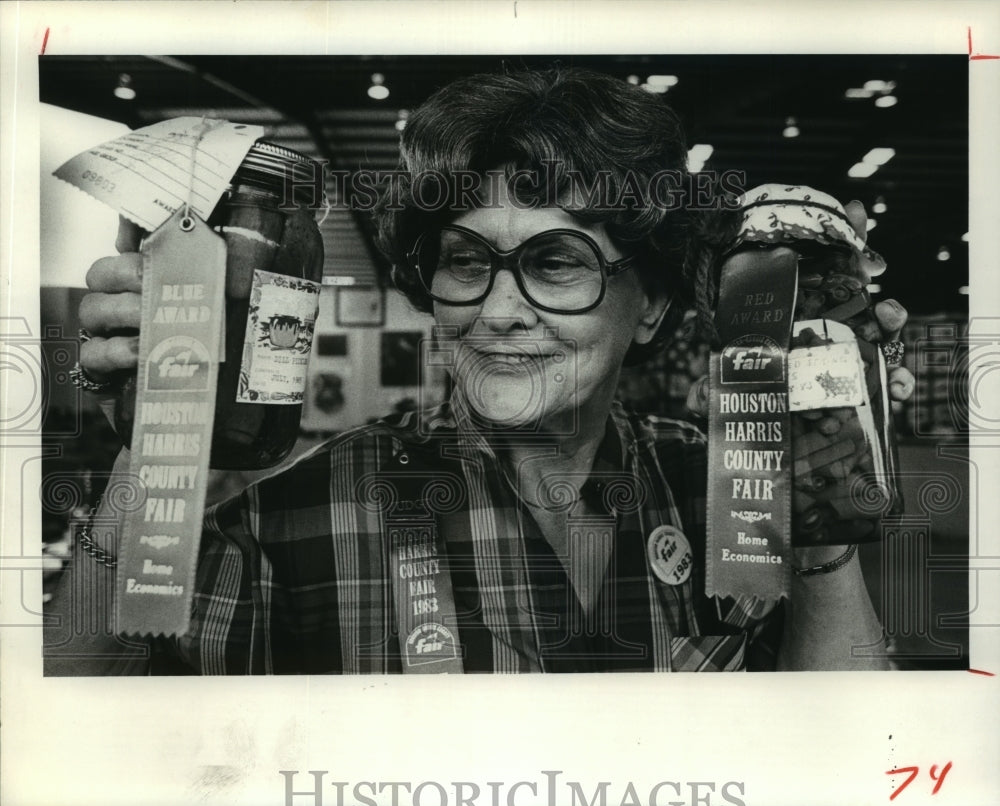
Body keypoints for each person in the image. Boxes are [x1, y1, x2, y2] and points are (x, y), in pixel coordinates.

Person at [48, 67, 914, 674]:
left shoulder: (720, 481)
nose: (498, 310)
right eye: (466, 262)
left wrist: (821, 496)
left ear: (648, 303)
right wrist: (151, 456)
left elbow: (835, 742)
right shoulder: (295, 516)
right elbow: (75, 738)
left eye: (557, 262)